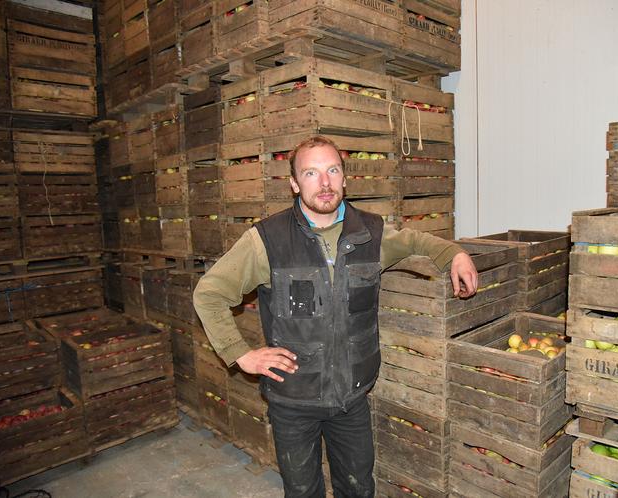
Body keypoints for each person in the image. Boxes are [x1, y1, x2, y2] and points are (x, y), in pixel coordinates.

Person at [193, 135, 478, 498]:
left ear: (345, 178)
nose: (324, 182)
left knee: (358, 488)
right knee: (302, 491)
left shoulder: (371, 233)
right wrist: (241, 353)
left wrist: (454, 254)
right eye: (311, 173)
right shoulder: (267, 239)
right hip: (293, 399)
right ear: (295, 184)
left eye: (332, 170)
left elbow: (418, 243)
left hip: (352, 397)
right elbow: (210, 293)